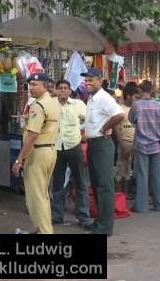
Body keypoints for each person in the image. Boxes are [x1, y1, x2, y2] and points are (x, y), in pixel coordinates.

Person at [12, 73, 60, 234]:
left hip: (38, 152)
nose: (31, 88)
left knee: (35, 197)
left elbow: (32, 135)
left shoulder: (38, 106)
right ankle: (43, 229)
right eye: (30, 84)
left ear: (45, 86)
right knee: (43, 194)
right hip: (49, 150)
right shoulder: (53, 103)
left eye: (35, 84)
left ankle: (45, 232)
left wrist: (19, 159)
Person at [80, 68, 124, 235]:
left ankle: (105, 227)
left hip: (102, 144)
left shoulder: (104, 98)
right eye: (86, 80)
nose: (87, 82)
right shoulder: (92, 99)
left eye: (91, 80)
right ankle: (100, 221)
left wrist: (105, 127)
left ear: (100, 80)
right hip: (93, 144)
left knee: (105, 185)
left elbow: (119, 115)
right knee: (97, 184)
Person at [51, 79, 90, 228]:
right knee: (58, 184)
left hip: (74, 147)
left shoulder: (78, 104)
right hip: (57, 148)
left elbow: (89, 119)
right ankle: (57, 216)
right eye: (60, 88)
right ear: (55, 90)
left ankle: (83, 217)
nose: (63, 91)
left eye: (65, 88)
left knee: (80, 183)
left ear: (70, 90)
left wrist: (84, 132)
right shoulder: (51, 105)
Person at [128, 80, 160, 213]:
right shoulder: (159, 105)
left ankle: (141, 206)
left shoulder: (136, 105)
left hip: (141, 144)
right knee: (157, 176)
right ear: (151, 90)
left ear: (140, 90)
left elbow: (131, 120)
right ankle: (158, 205)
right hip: (157, 144)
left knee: (142, 176)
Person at [114, 82, 139, 194]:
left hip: (137, 144)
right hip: (125, 143)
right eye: (135, 97)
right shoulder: (119, 109)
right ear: (128, 96)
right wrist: (123, 145)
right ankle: (119, 196)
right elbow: (116, 128)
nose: (137, 99)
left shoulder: (138, 108)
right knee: (121, 171)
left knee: (130, 172)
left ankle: (126, 195)